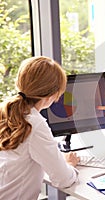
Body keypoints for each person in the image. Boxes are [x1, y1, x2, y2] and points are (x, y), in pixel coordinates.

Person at [0, 56, 79, 199]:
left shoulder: (6, 111)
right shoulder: (35, 124)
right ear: (52, 96)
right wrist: (69, 164)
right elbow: (63, 179)